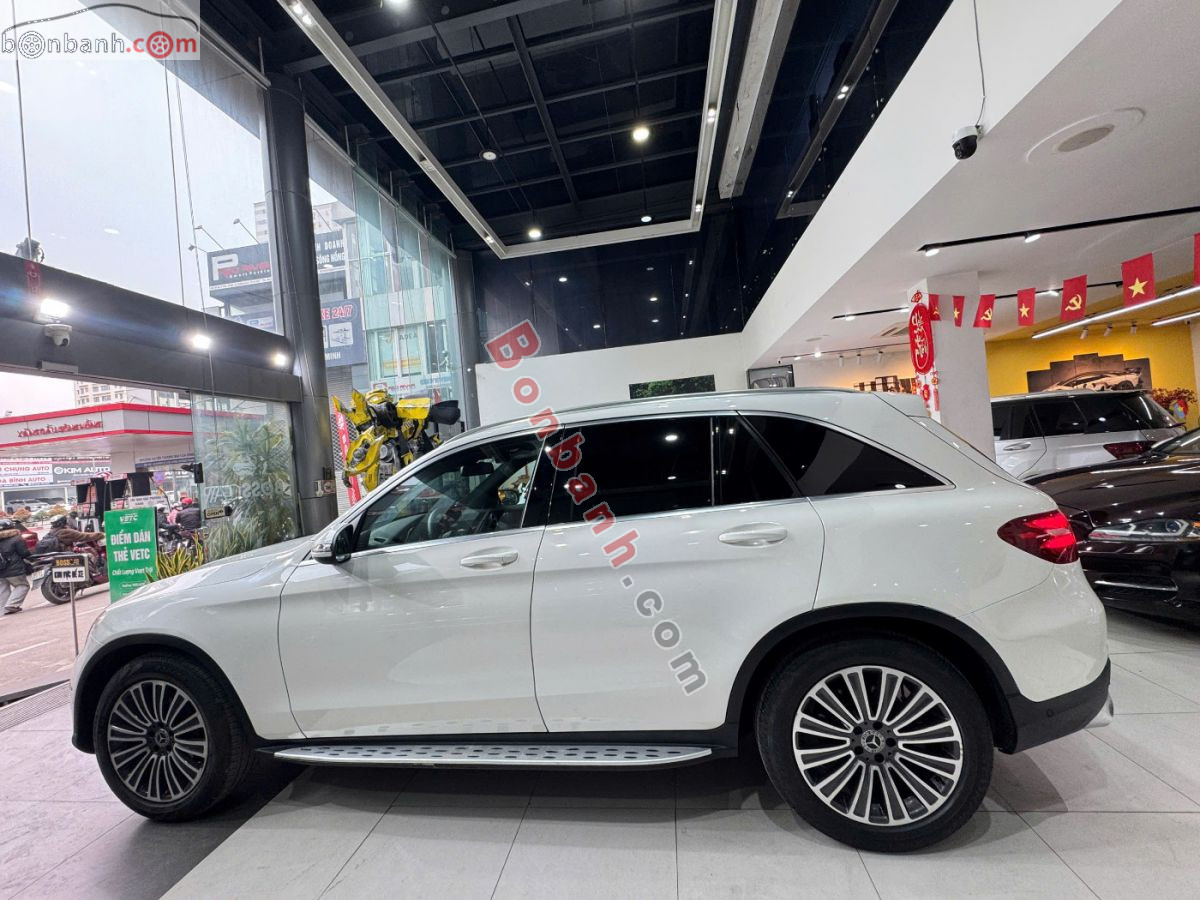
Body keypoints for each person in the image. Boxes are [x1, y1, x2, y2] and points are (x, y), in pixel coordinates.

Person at [0, 518, 33, 615]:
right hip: (14, 569)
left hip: (1, 571)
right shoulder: (16, 538)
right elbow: (24, 553)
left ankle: (3, 609)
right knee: (23, 585)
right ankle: (12, 605)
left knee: (3, 589)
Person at [35, 517, 104, 554]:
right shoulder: (66, 531)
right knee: (90, 554)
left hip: (53, 555)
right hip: (65, 555)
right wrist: (102, 534)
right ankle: (93, 573)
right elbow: (85, 536)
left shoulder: (51, 532)